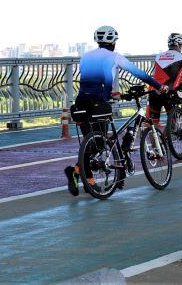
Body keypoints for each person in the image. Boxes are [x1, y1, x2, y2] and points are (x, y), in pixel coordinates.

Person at [64, 26, 166, 197]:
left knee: (91, 143)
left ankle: (86, 177)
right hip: (98, 102)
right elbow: (137, 73)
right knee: (100, 142)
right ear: (113, 41)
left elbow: (89, 81)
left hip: (81, 102)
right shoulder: (114, 57)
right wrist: (158, 86)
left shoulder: (86, 56)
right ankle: (76, 171)